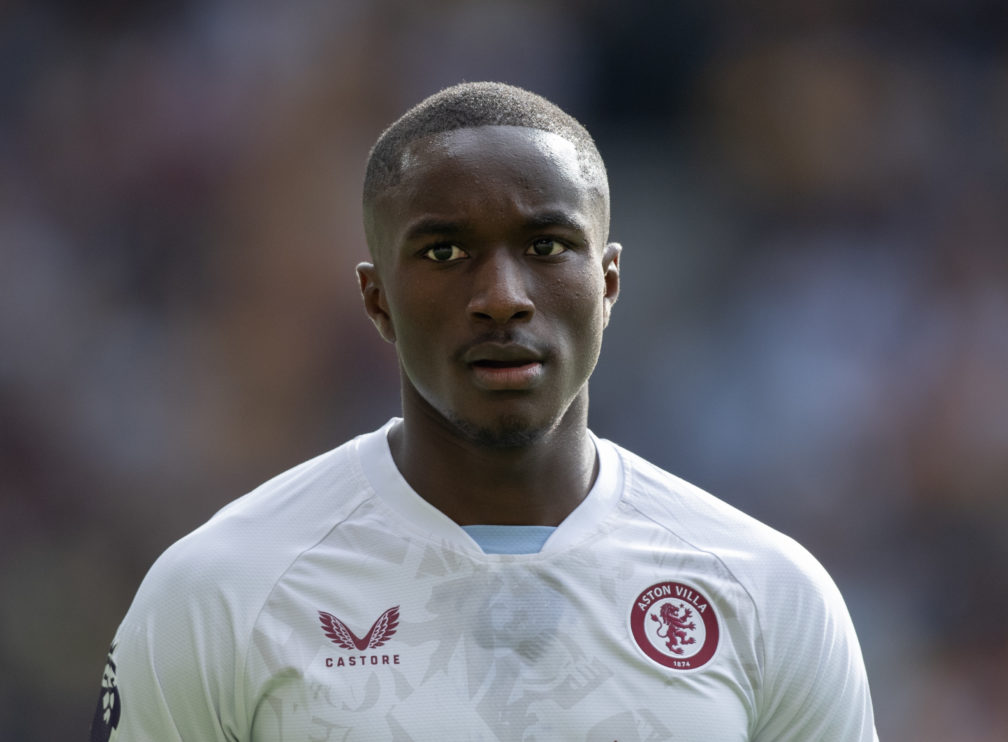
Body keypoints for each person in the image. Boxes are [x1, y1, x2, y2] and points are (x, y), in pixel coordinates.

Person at [91, 81, 878, 741]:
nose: (502, 297)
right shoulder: (223, 590)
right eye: (444, 252)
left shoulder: (766, 595)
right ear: (377, 299)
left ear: (607, 284)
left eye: (545, 247)